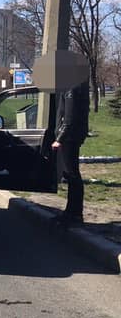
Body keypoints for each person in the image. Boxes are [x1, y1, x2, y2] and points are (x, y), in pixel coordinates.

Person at [52, 82, 89, 227]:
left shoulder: (70, 87)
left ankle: (75, 213)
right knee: (71, 174)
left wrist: (59, 139)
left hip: (68, 138)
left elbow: (69, 117)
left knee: (72, 174)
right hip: (71, 136)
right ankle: (71, 211)